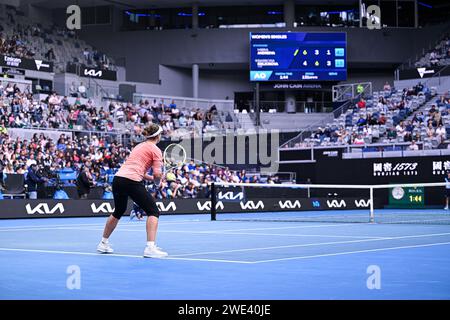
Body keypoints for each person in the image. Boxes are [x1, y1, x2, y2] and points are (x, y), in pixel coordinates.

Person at [97, 123, 167, 258]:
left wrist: (152, 179)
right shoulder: (156, 150)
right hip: (131, 181)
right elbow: (158, 175)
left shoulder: (139, 146)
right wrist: (158, 182)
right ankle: (150, 248)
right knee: (153, 211)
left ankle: (103, 243)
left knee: (118, 211)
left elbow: (136, 169)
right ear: (157, 136)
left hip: (118, 180)